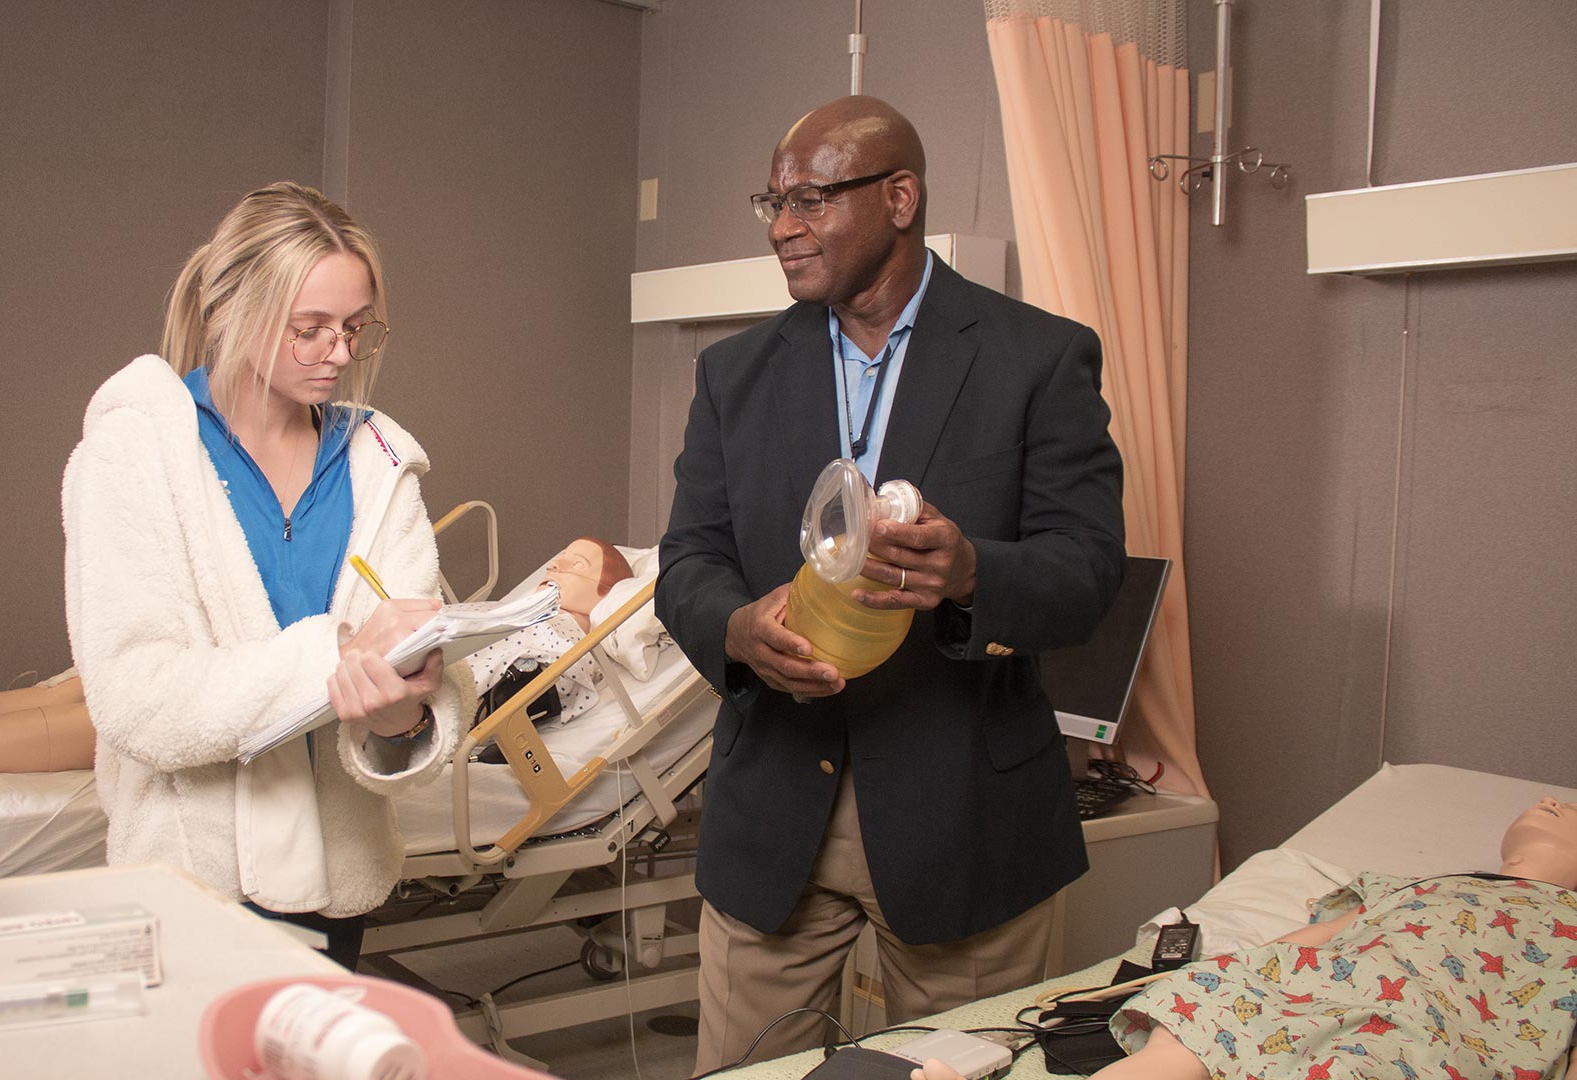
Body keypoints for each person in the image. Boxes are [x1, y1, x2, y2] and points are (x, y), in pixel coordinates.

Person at [656, 96, 1126, 1071]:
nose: (784, 227)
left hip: (963, 817)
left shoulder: (1034, 359)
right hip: (774, 807)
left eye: (811, 200)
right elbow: (687, 562)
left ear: (900, 197)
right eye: (773, 202)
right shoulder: (736, 376)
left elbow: (1088, 575)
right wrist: (741, 631)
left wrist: (969, 573)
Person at [62, 182, 470, 969]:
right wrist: (334, 662)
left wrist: (399, 722)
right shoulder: (139, 454)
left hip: (332, 892)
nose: (341, 354)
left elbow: (426, 704)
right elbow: (135, 697)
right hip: (188, 889)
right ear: (233, 310)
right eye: (309, 330)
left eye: (355, 328)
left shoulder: (378, 468)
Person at [913, 797, 1577, 1080]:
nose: (1552, 805)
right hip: (1321, 992)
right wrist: (1236, 971)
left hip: (1429, 1031)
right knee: (1202, 1007)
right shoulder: (1419, 884)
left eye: (1570, 809)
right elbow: (1315, 938)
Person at [463, 537, 633, 729]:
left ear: (607, 591)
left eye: (578, 564)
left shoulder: (573, 644)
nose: (554, 564)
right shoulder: (509, 610)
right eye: (561, 558)